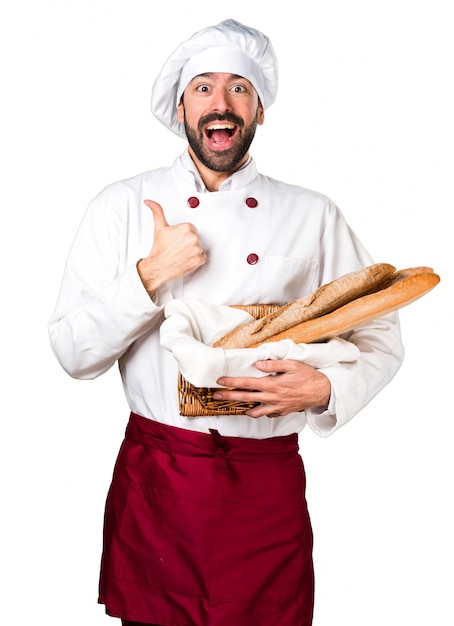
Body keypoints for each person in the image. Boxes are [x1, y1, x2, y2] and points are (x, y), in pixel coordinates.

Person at [49, 18, 404, 626]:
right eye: (204, 87)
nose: (221, 103)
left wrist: (328, 388)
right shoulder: (121, 206)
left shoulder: (311, 214)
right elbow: (73, 354)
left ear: (260, 108)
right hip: (159, 480)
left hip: (266, 488)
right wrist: (147, 277)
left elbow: (380, 334)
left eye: (239, 87)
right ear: (181, 105)